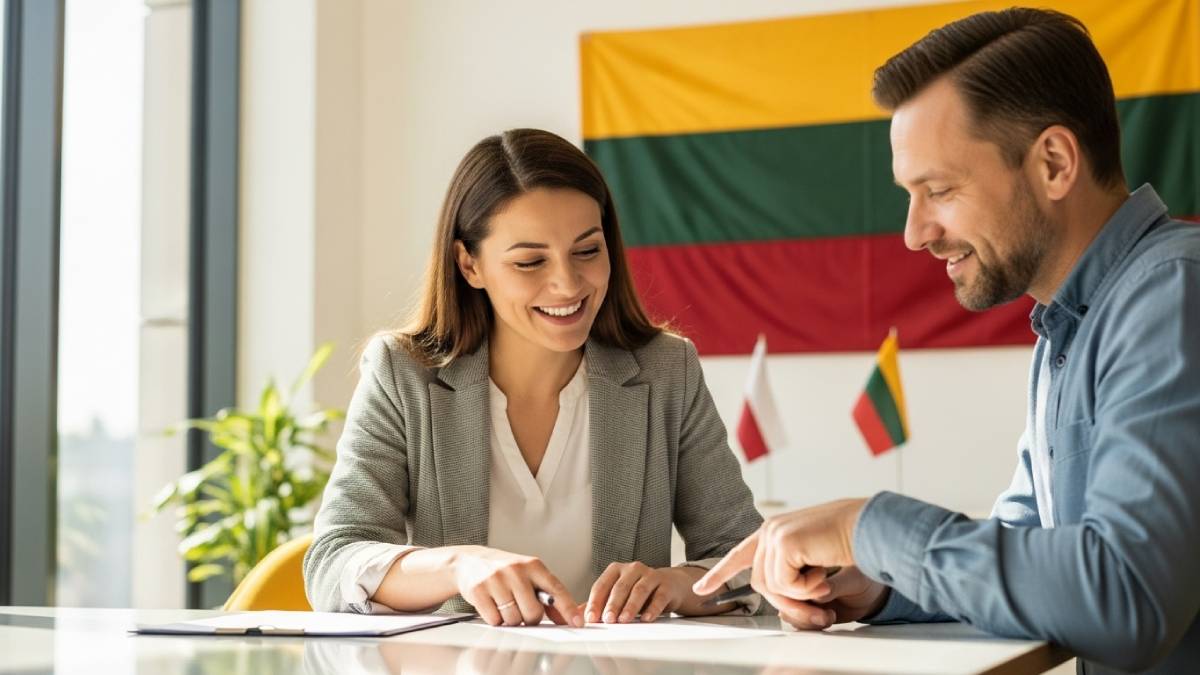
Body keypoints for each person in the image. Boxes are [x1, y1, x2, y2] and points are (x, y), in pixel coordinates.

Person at [694, 8, 1200, 673]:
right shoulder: (1068, 327)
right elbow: (1035, 550)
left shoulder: (1171, 292)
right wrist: (878, 582)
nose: (914, 233)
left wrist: (865, 526)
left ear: (1053, 162)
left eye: (939, 190)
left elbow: (1125, 594)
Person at [304, 128, 762, 628]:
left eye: (588, 251)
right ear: (470, 265)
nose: (568, 283)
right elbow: (332, 561)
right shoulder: (402, 373)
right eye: (530, 261)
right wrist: (457, 566)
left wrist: (675, 585)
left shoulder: (666, 370)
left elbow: (750, 560)